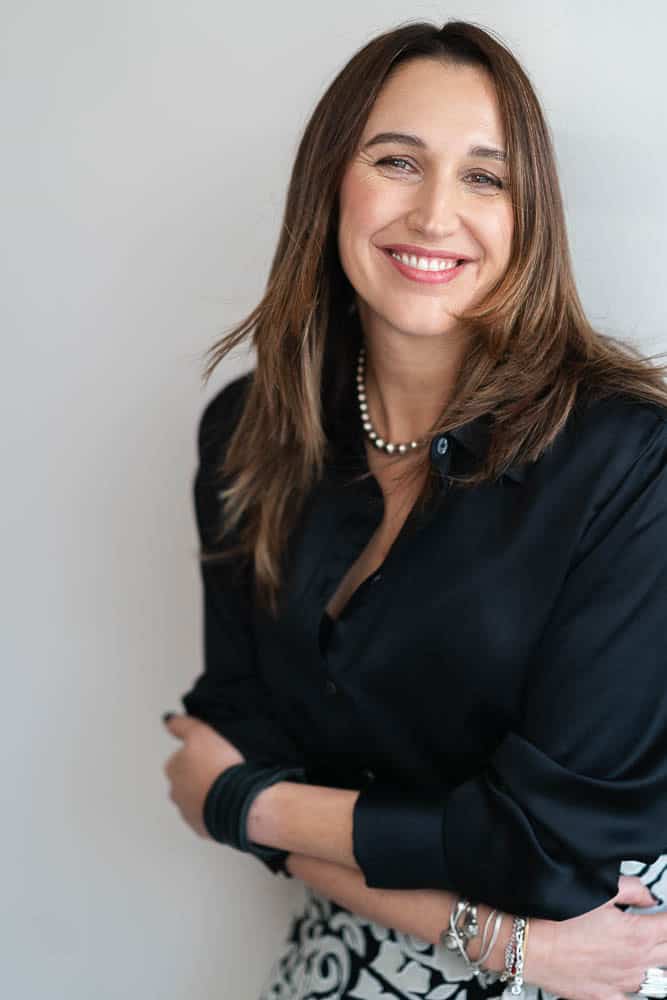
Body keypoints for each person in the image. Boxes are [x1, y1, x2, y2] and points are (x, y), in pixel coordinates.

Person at [162, 18, 667, 1000]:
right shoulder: (246, 433)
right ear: (330, 185)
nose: (435, 214)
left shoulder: (627, 460)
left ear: (530, 217)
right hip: (356, 944)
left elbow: (550, 851)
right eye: (397, 161)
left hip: (597, 957)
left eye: (486, 177)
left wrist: (251, 809)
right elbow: (239, 741)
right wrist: (478, 930)